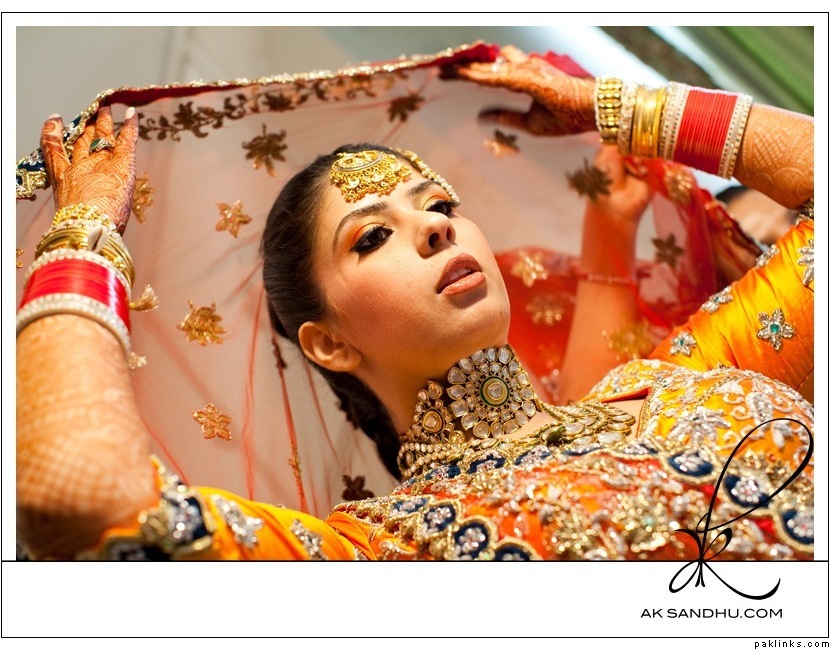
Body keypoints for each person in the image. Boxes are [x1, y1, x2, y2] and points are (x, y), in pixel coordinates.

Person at [16, 46, 813, 561]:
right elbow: (79, 495)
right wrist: (84, 230)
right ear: (328, 343)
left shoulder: (680, 384)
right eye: (371, 237)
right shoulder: (384, 553)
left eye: (439, 205)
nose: (435, 227)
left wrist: (623, 108)